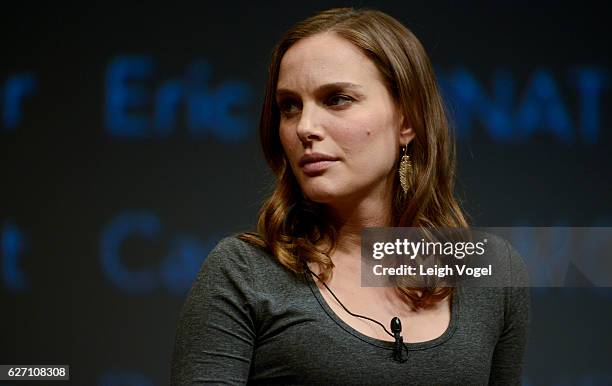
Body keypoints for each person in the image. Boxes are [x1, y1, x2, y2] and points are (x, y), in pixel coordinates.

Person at [171, 7, 530, 385]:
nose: (304, 127)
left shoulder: (491, 272)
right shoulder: (243, 272)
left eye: (337, 99)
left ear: (407, 120)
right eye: (289, 106)